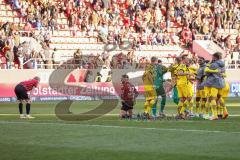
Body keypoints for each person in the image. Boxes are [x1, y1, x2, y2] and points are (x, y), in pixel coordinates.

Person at [204, 52, 226, 120]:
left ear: (215, 57)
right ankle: (224, 112)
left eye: (212, 56)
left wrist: (208, 66)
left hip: (213, 82)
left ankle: (214, 115)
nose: (212, 58)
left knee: (212, 99)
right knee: (219, 98)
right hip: (221, 82)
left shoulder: (213, 64)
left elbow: (206, 73)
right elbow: (223, 73)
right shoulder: (223, 64)